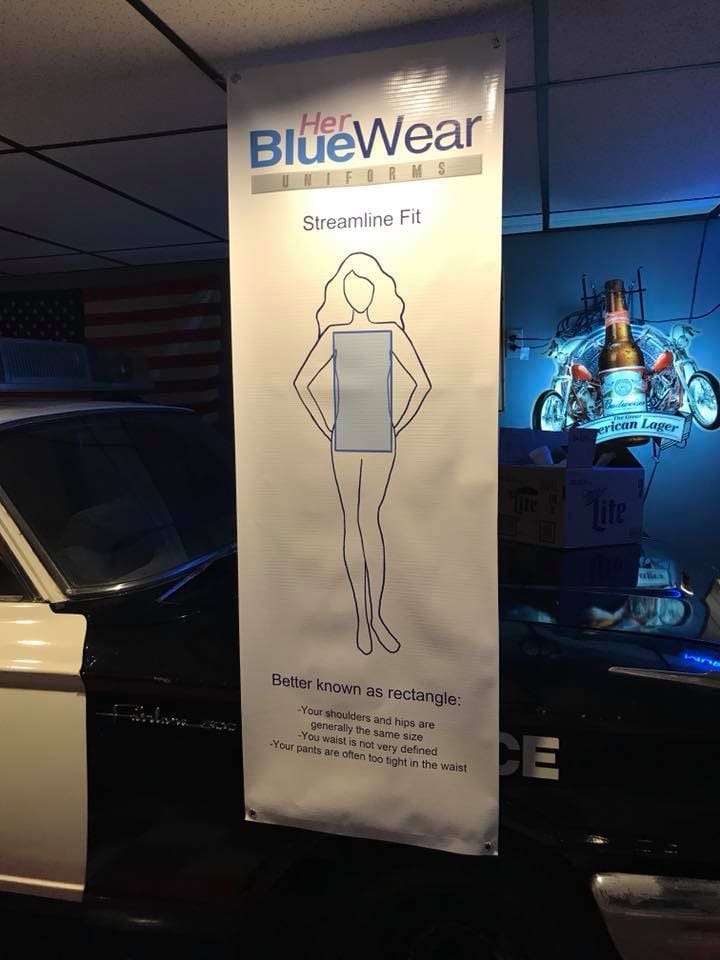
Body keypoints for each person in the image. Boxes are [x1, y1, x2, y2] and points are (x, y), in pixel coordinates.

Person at [293, 252, 431, 655]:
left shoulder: (391, 332)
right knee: (354, 523)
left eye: (364, 288)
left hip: (376, 437)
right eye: (351, 289)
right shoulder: (334, 334)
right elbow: (302, 383)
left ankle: (375, 618)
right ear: (342, 293)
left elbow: (422, 384)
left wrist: (396, 424)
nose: (358, 295)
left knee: (367, 523)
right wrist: (327, 424)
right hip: (349, 437)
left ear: (375, 292)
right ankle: (362, 620)